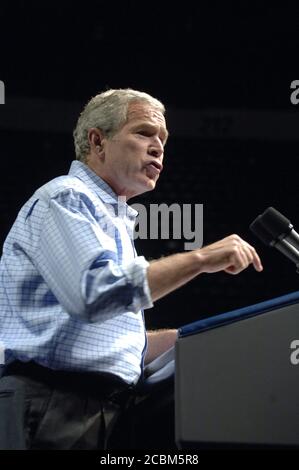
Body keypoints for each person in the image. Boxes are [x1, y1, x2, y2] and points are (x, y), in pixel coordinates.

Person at [0, 88, 263, 450]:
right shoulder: (67, 196)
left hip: (96, 408)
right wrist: (201, 259)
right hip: (52, 404)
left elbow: (105, 341)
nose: (159, 147)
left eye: (163, 139)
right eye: (143, 133)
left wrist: (200, 339)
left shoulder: (114, 217)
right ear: (98, 141)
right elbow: (94, 295)